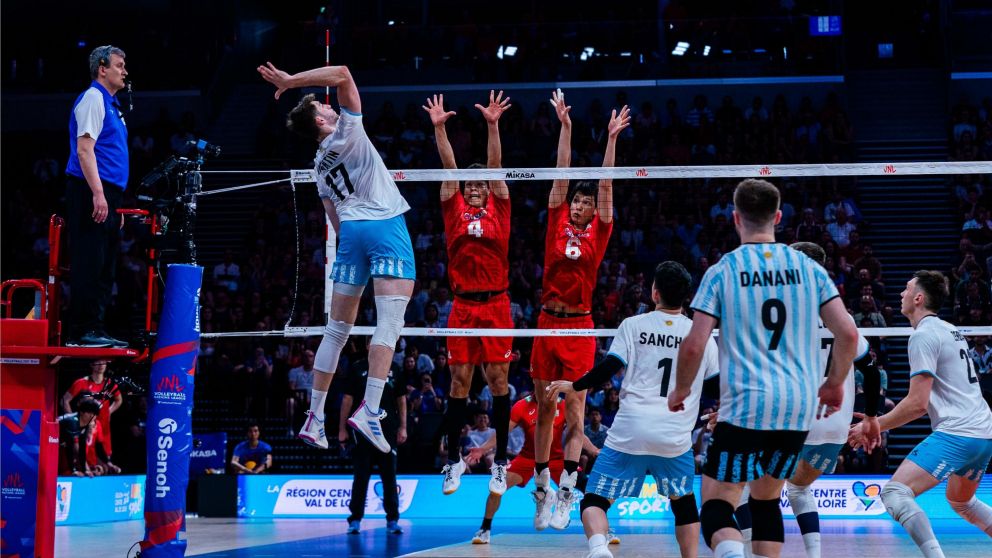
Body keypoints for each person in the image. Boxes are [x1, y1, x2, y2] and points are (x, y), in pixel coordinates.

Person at [669, 178, 859, 558]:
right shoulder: (810, 269)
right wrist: (835, 383)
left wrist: (682, 389)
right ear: (778, 216)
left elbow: (693, 345)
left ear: (736, 218)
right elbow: (849, 335)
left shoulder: (723, 270)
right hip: (796, 409)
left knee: (718, 504)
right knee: (766, 501)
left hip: (745, 406)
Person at [258, 62, 415, 454]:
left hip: (351, 236)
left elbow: (336, 222)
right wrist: (291, 81)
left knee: (336, 331)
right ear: (322, 122)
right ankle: (371, 409)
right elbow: (345, 71)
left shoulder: (317, 166)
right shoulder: (348, 129)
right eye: (323, 108)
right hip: (383, 225)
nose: (330, 107)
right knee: (390, 323)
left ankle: (314, 418)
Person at [547, 261, 719, 558]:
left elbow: (609, 368)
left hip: (630, 431)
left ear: (655, 293)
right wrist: (724, 411)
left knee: (594, 501)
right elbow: (717, 388)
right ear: (686, 298)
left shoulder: (633, 325)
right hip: (674, 437)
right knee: (684, 504)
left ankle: (599, 548)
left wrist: (574, 386)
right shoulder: (700, 335)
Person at [734, 241, 883, 558]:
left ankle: (748, 551)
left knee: (744, 489)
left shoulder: (781, 311)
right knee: (799, 487)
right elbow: (870, 371)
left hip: (789, 418)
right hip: (833, 428)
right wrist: (871, 416)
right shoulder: (842, 316)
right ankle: (814, 555)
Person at [530, 89, 630, 530]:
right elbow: (561, 173)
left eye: (587, 203)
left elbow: (605, 185)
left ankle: (568, 491)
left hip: (580, 328)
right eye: (578, 200)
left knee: (574, 413)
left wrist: (611, 138)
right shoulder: (556, 219)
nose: (581, 204)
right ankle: (541, 488)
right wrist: (566, 127)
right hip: (545, 323)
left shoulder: (599, 234)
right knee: (543, 408)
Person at [849, 271, 992, 558]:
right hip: (983, 434)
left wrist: (873, 426)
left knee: (894, 493)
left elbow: (917, 404)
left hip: (958, 433)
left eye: (906, 289)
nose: (900, 294)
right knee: (961, 501)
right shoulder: (950, 330)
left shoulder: (923, 336)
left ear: (918, 298)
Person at [424, 91, 516, 496]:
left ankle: (500, 463)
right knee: (459, 382)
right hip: (462, 305)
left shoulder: (499, 206)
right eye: (471, 183)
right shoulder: (453, 206)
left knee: (498, 381)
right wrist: (440, 128)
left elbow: (496, 167)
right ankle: (452, 460)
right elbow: (448, 167)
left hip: (496, 303)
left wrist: (492, 125)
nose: (476, 187)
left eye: (481, 183)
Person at [467, 394, 608, 543]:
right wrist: (482, 449)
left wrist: (593, 449)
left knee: (589, 488)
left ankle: (604, 530)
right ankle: (485, 529)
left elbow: (577, 432)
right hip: (528, 458)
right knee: (497, 488)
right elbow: (503, 431)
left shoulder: (565, 405)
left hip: (557, 459)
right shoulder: (521, 406)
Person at [65, 45, 130, 348]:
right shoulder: (92, 98)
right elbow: (84, 149)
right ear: (102, 68)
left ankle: (95, 328)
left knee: (105, 265)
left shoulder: (111, 103)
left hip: (106, 193)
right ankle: (81, 330)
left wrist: (111, 201)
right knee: (90, 262)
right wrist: (98, 195)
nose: (125, 71)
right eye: (119, 65)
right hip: (91, 190)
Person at [338, 339, 407, 535]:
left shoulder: (394, 368)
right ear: (367, 345)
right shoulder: (357, 368)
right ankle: (355, 520)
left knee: (389, 476)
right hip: (362, 431)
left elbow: (401, 400)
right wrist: (342, 429)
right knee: (361, 476)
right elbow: (347, 399)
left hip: (387, 430)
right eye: (372, 342)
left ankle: (392, 519)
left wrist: (403, 427)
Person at [61, 359, 122, 467]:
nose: (101, 365)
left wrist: (109, 412)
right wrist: (73, 420)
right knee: (83, 460)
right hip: (85, 428)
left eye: (104, 362)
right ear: (91, 365)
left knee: (105, 463)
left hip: (103, 428)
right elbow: (64, 400)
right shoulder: (81, 383)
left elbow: (119, 400)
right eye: (98, 363)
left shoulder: (109, 384)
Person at [58, 396, 102, 476]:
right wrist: (73, 470)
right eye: (89, 412)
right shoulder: (72, 422)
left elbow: (82, 448)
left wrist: (85, 470)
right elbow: (69, 447)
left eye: (94, 413)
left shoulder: (85, 424)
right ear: (81, 412)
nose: (92, 416)